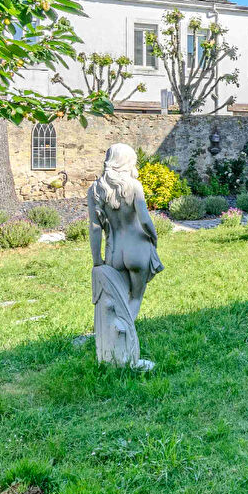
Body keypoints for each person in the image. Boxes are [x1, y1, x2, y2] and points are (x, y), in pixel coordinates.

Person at [87, 144, 162, 368]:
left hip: (114, 250)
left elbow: (94, 228)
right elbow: (145, 220)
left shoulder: (95, 189)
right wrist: (154, 238)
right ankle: (127, 349)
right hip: (137, 246)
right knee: (135, 297)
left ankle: (114, 349)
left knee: (118, 299)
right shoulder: (134, 186)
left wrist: (96, 259)